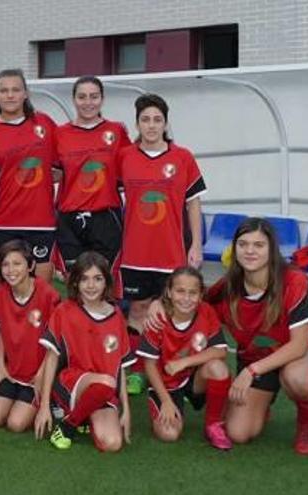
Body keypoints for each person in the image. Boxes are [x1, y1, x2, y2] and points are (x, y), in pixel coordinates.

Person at [148, 218, 308, 455]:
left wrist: (250, 371)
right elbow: (190, 303)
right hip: (257, 357)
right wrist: (159, 303)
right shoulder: (229, 287)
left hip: (300, 354)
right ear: (234, 249)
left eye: (258, 245)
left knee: (298, 378)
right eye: (243, 244)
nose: (250, 251)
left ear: (271, 249)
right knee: (238, 433)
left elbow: (298, 345)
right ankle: (262, 406)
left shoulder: (294, 281)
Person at [116, 93, 206, 395]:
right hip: (135, 252)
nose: (151, 125)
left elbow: (194, 203)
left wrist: (196, 245)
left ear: (166, 123)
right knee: (139, 311)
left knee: (170, 311)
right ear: (138, 123)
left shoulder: (183, 157)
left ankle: (170, 371)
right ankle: (136, 372)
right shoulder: (125, 156)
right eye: (145, 119)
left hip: (171, 252)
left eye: (157, 119)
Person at [0, 69, 58, 281]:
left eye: (16, 90)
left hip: (42, 223)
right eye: (4, 90)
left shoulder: (44, 124)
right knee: (2, 293)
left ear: (26, 93)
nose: (10, 95)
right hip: (2, 224)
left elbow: (65, 165)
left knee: (41, 292)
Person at [35, 251, 133, 451]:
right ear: (75, 283)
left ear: (106, 282)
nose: (91, 285)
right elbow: (51, 357)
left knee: (113, 444)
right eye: (84, 279)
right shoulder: (64, 311)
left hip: (103, 392)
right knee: (107, 382)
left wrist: (126, 410)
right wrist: (44, 405)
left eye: (97, 279)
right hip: (72, 383)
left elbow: (120, 366)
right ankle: (69, 426)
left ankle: (77, 418)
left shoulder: (116, 316)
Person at [136, 267, 232, 450]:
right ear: (169, 292)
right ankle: (164, 402)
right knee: (169, 435)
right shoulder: (157, 319)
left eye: (193, 293)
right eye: (180, 291)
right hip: (167, 383)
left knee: (218, 368)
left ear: (201, 295)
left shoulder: (206, 312)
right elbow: (149, 365)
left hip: (194, 378)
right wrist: (165, 401)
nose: (186, 298)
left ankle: (213, 425)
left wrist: (184, 362)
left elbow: (220, 351)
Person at [52, 76, 131, 273]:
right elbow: (51, 172)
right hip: (70, 217)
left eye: (94, 97)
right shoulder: (60, 134)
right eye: (82, 97)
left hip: (106, 217)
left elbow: (134, 164)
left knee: (104, 280)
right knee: (75, 281)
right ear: (74, 99)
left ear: (102, 99)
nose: (88, 102)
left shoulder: (116, 131)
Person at [0, 240, 60, 433]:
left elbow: (55, 344)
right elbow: (1, 327)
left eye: (17, 263)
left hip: (37, 374)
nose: (11, 270)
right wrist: (1, 363)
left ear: (31, 266)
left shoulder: (47, 295)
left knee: (15, 424)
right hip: (12, 371)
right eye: (5, 264)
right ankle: (16, 393)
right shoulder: (1, 293)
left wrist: (42, 375)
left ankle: (52, 400)